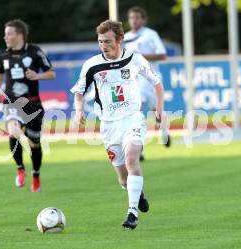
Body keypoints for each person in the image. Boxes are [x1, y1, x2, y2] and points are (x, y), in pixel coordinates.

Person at [72, 20, 165, 229]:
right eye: (99, 41)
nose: (103, 45)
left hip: (132, 118)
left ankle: (132, 213)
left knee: (133, 158)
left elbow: (156, 82)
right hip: (108, 125)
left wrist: (159, 108)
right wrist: (79, 110)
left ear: (119, 39)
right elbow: (79, 91)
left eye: (107, 41)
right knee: (123, 179)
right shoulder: (92, 65)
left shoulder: (135, 59)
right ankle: (136, 192)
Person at [0, 19, 55, 192]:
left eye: (9, 34)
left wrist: (38, 75)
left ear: (19, 35)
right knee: (13, 131)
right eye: (5, 34)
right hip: (11, 101)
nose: (5, 37)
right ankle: (20, 169)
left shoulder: (35, 51)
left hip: (33, 104)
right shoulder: (3, 54)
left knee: (34, 143)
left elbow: (51, 73)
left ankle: (35, 174)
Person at [124, 6, 170, 160]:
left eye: (137, 17)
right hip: (135, 81)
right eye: (131, 18)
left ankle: (165, 132)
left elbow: (163, 55)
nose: (134, 21)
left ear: (143, 19)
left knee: (156, 112)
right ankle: (139, 149)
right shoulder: (126, 37)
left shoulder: (150, 34)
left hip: (152, 78)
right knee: (136, 112)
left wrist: (141, 57)